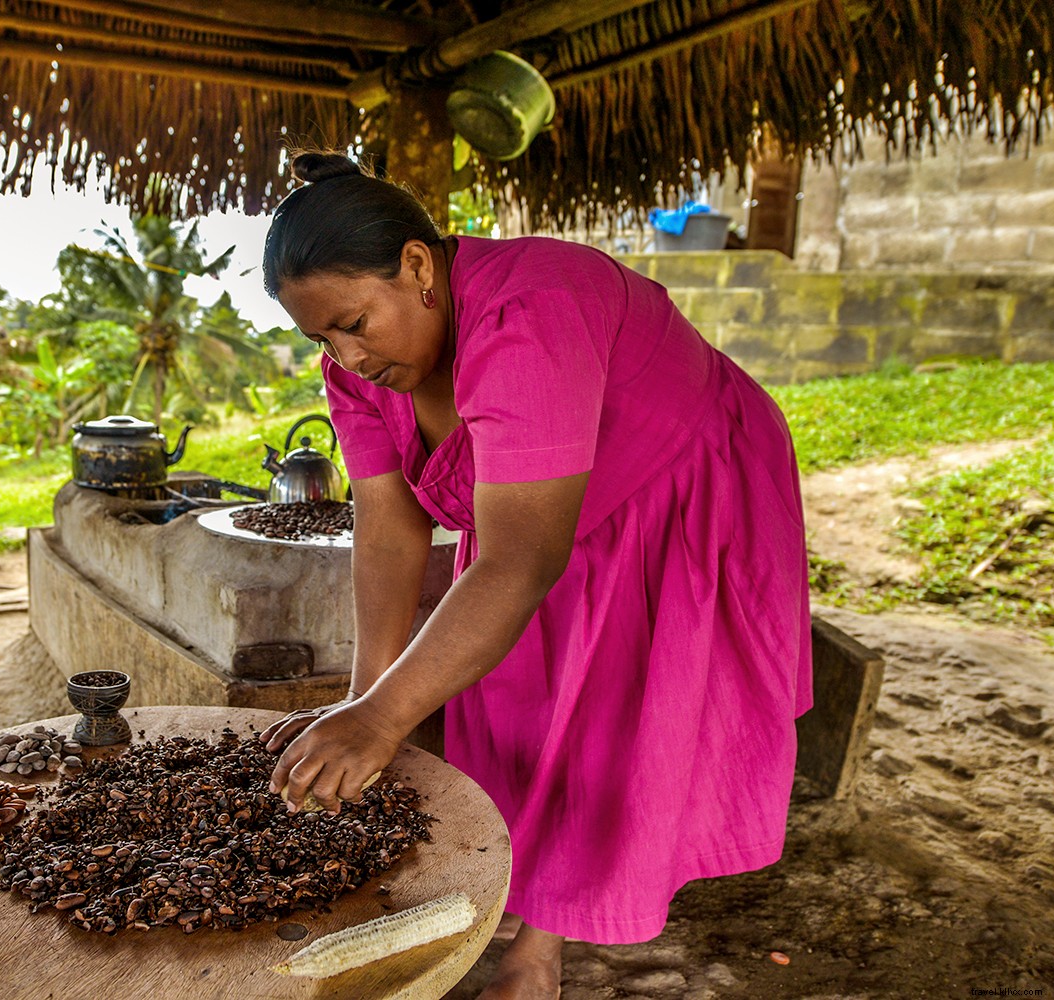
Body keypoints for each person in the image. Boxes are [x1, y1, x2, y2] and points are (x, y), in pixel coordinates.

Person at [257, 152, 813, 1000]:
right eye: (321, 337)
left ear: (417, 266)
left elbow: (521, 558)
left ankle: (538, 949)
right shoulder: (357, 373)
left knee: (613, 708)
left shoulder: (532, 308)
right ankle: (536, 923)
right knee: (514, 697)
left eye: (355, 321)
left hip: (675, 483)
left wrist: (384, 718)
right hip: (537, 518)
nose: (345, 353)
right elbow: (387, 531)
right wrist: (371, 703)